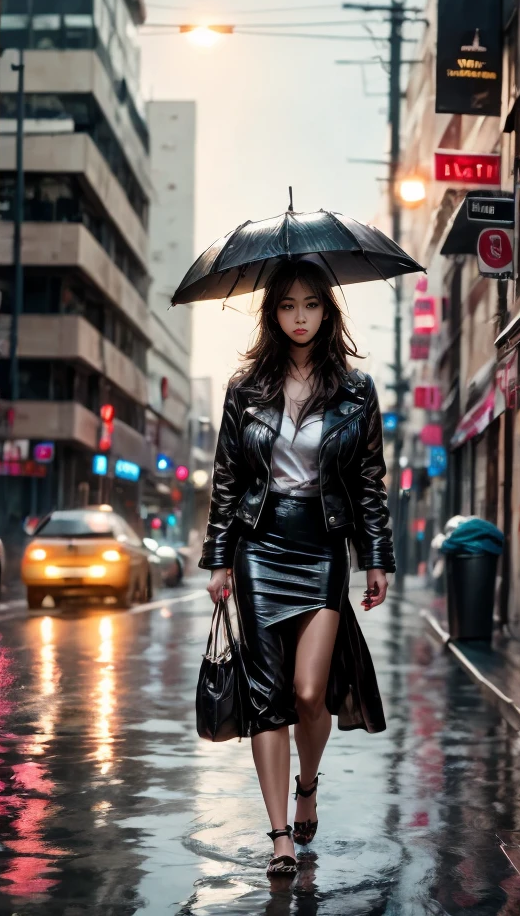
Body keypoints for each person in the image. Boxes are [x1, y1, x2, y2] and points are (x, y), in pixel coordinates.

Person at [200, 259, 395, 876]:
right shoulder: (245, 388)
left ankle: (308, 783)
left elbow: (369, 483)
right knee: (267, 695)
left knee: (311, 691)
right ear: (273, 313)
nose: (300, 317)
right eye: (288, 306)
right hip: (260, 546)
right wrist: (219, 559)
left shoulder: (356, 391)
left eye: (311, 305)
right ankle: (280, 834)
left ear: (328, 311)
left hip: (321, 547)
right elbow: (227, 477)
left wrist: (377, 559)